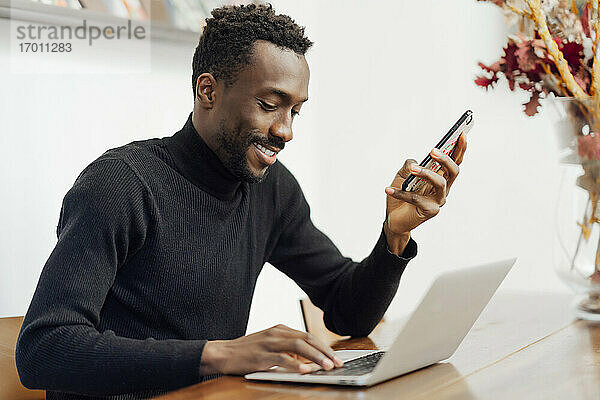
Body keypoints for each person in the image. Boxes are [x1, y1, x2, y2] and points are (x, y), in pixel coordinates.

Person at [15, 4, 466, 400]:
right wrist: (219, 354)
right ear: (208, 91)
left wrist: (394, 236)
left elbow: (349, 311)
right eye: (271, 105)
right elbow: (44, 350)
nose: (286, 131)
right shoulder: (121, 184)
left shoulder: (271, 189)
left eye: (295, 110)